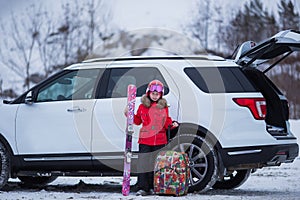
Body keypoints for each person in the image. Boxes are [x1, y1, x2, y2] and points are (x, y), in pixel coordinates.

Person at [125, 80, 178, 196]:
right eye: (153, 94)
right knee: (143, 164)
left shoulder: (163, 107)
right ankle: (143, 187)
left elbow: (166, 121)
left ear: (160, 95)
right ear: (148, 93)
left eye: (157, 94)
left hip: (159, 140)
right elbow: (138, 121)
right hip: (145, 140)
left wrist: (172, 124)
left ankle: (154, 186)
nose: (155, 96)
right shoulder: (142, 107)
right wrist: (129, 115)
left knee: (156, 165)